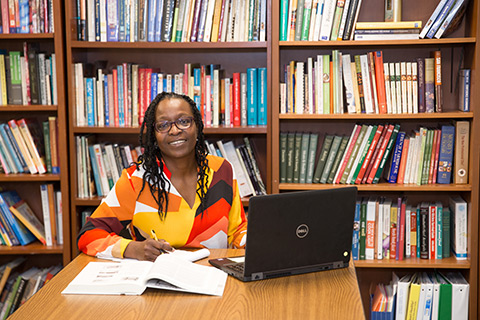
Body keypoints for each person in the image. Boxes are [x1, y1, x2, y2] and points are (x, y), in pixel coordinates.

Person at [78, 92, 247, 261]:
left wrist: (258, 242)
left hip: (215, 277)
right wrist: (133, 249)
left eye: (183, 121)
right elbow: (89, 235)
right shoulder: (136, 180)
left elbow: (237, 231)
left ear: (197, 126)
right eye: (163, 125)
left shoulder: (221, 170)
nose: (174, 131)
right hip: (159, 281)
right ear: (154, 134)